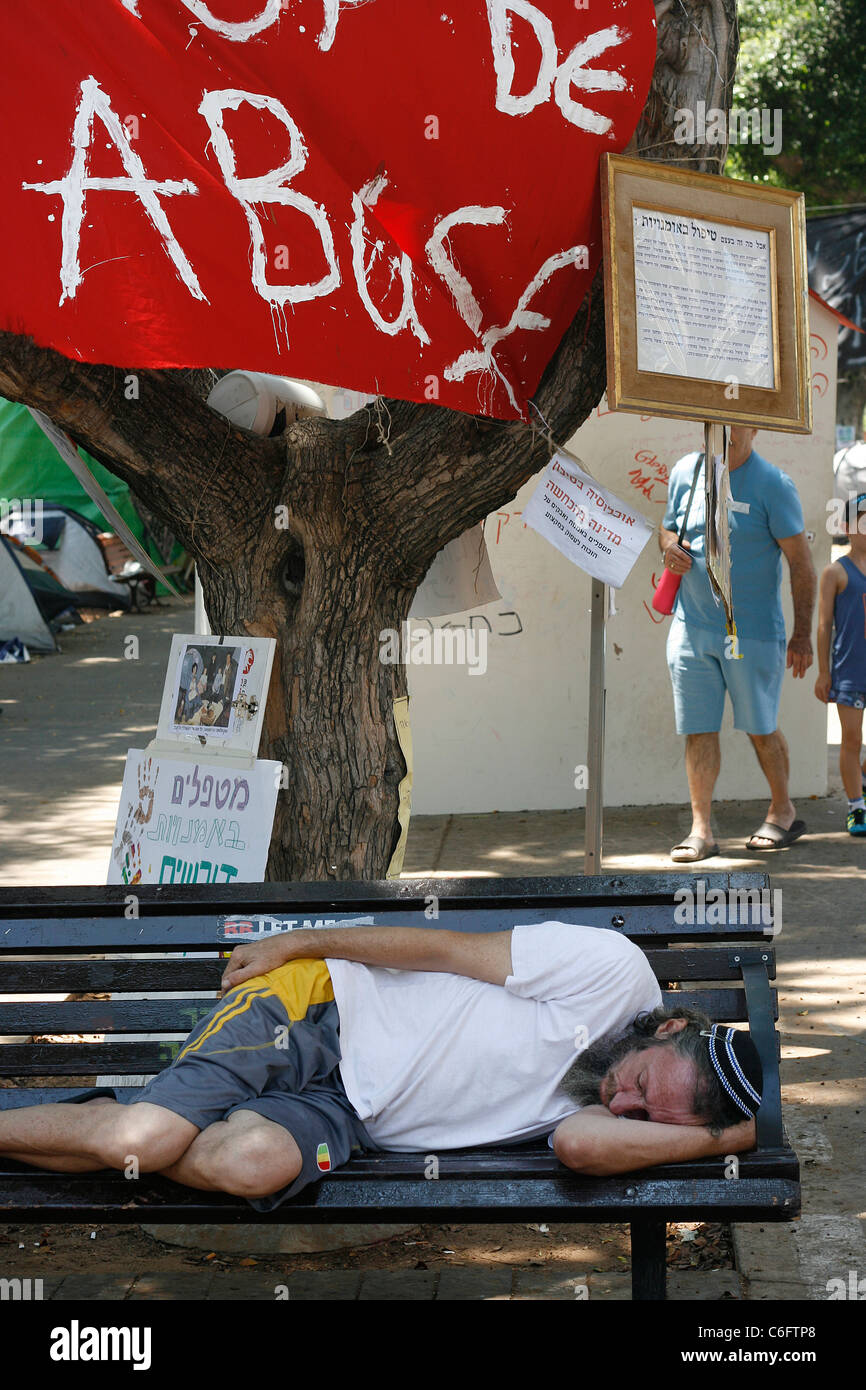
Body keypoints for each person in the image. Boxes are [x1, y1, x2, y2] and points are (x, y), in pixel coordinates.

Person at [0, 923, 760, 1203]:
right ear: (666, 1025)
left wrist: (724, 1137)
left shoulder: (611, 1107)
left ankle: (109, 1125)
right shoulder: (613, 973)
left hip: (350, 1114)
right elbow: (441, 946)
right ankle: (121, 1128)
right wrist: (300, 942)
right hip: (321, 1012)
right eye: (644, 1087)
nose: (622, 1103)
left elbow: (582, 1146)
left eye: (646, 1121)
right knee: (140, 1147)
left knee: (252, 1165)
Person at [659, 426, 816, 861]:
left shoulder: (773, 484)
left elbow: (802, 565)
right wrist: (669, 546)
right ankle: (702, 830)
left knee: (760, 728)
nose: (725, 433)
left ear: (754, 426)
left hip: (752, 633)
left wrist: (802, 635)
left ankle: (783, 811)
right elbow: (667, 529)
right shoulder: (685, 471)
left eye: (734, 423)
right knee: (697, 730)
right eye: (714, 423)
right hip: (691, 629)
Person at [815, 492, 866, 836]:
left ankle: (859, 777)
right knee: (850, 738)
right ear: (847, 526)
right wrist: (823, 672)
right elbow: (823, 626)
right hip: (849, 672)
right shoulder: (835, 572)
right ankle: (856, 808)